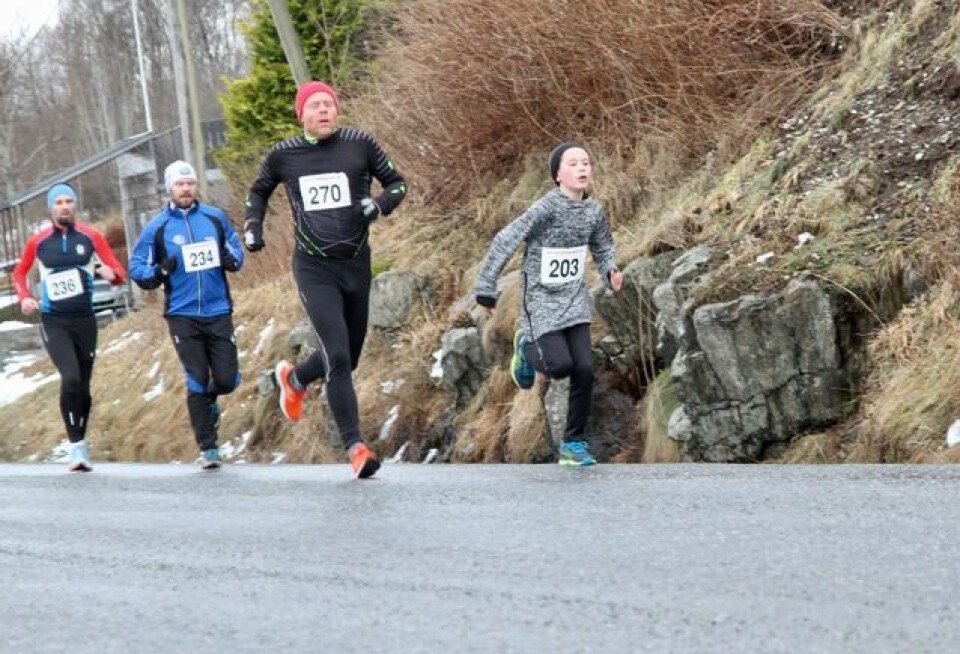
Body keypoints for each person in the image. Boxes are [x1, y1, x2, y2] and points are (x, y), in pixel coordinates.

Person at [243, 80, 407, 479]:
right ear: (301, 114)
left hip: (356, 263)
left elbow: (398, 184)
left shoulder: (360, 144)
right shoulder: (284, 155)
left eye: (329, 104)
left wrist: (379, 205)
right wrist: (253, 225)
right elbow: (259, 190)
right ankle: (356, 448)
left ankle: (295, 378)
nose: (323, 111)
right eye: (314, 105)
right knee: (337, 357)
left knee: (349, 353)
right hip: (314, 268)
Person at [474, 143, 624, 467]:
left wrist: (610, 269)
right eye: (573, 163)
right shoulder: (545, 209)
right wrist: (486, 286)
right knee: (560, 367)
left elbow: (602, 245)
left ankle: (573, 444)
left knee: (584, 369)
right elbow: (506, 239)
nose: (583, 168)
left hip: (574, 299)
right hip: (540, 299)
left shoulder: (593, 211)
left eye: (586, 162)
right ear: (558, 175)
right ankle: (525, 346)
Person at [129, 161, 245, 470]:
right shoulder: (158, 227)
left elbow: (237, 251)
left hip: (218, 310)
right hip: (182, 314)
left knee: (227, 379)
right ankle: (209, 448)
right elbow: (136, 267)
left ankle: (210, 403)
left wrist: (227, 258)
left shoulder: (214, 218)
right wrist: (159, 271)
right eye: (180, 184)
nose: (186, 189)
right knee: (196, 377)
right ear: (170, 189)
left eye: (190, 183)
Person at [12, 183, 127, 472]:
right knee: (71, 378)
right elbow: (20, 271)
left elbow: (119, 273)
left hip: (85, 320)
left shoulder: (92, 237)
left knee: (84, 388)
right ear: (51, 208)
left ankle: (81, 440)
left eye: (69, 201)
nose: (65, 206)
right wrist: (25, 297)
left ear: (75, 206)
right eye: (59, 202)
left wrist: (110, 274)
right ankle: (76, 446)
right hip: (54, 320)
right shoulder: (38, 242)